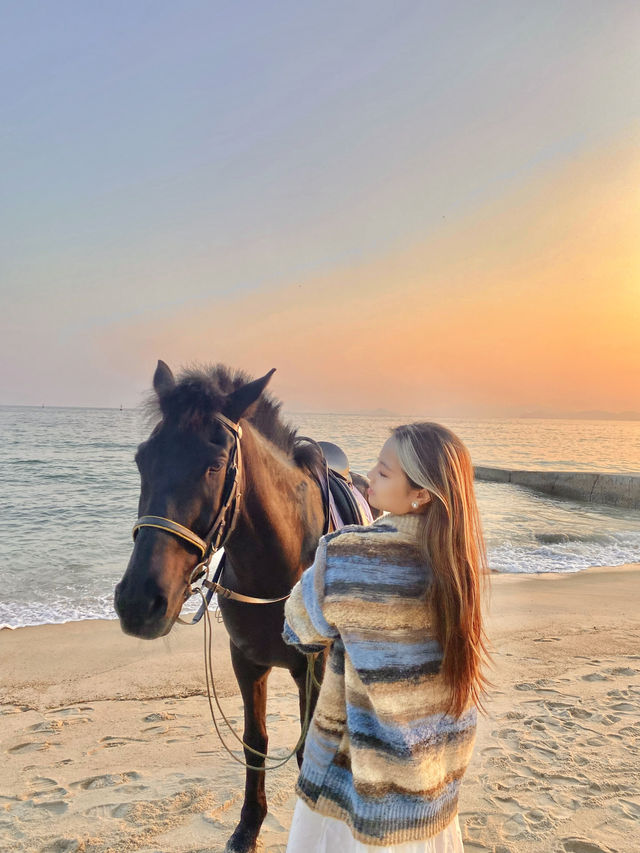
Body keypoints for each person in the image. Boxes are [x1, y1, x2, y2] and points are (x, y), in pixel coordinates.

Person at [282, 421, 493, 852]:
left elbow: (298, 628)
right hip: (435, 774)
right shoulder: (459, 563)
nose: (368, 477)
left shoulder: (346, 553)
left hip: (360, 777)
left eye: (382, 472)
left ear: (421, 493)